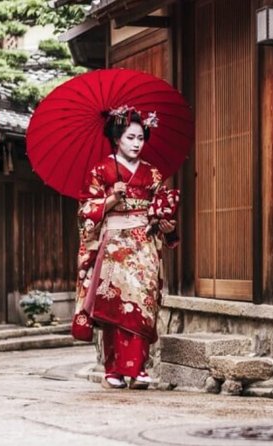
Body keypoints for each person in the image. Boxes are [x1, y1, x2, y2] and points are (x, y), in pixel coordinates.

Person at [75, 106, 179, 390]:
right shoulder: (101, 170)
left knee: (143, 303)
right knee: (115, 305)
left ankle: (138, 367)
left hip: (144, 242)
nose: (136, 143)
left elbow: (162, 208)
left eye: (140, 138)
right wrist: (109, 199)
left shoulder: (151, 173)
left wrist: (165, 223)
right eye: (130, 137)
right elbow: (86, 210)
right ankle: (113, 368)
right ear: (117, 138)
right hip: (114, 245)